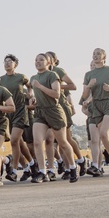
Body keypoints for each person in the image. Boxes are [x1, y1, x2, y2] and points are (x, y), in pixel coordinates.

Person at [29, 53, 78, 182]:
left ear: (48, 63)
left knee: (62, 142)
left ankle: (72, 167)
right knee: (38, 142)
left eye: (41, 60)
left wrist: (40, 86)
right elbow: (36, 94)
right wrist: (33, 99)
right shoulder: (33, 78)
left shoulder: (52, 75)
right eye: (36, 60)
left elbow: (56, 94)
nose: (38, 62)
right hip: (40, 112)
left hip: (54, 111)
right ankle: (42, 172)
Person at [81, 48, 109, 178]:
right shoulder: (89, 74)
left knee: (104, 133)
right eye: (94, 54)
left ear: (104, 56)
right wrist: (88, 86)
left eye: (98, 54)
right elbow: (84, 95)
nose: (95, 56)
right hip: (97, 105)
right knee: (105, 137)